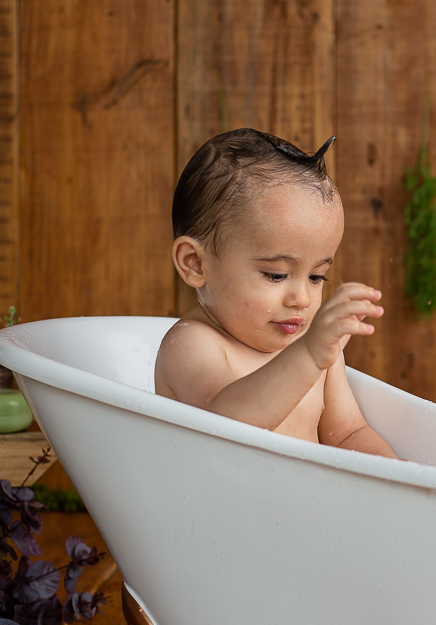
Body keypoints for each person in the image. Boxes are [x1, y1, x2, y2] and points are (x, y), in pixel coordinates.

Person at [154, 128, 398, 459]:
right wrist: (309, 356)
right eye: (276, 274)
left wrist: (394, 473)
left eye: (317, 277)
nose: (302, 298)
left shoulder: (311, 345)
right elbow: (227, 423)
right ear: (195, 263)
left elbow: (347, 433)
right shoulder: (192, 344)